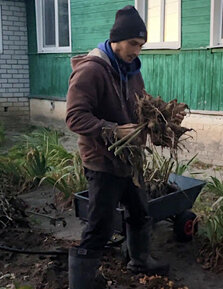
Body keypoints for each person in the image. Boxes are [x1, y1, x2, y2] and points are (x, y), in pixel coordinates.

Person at [66, 5, 183, 289]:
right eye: (133, 44)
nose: (137, 51)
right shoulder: (92, 70)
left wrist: (160, 121)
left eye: (141, 45)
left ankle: (140, 260)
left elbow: (139, 108)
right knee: (100, 226)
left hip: (130, 160)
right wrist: (111, 129)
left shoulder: (131, 70)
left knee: (140, 211)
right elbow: (74, 116)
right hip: (102, 162)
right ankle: (80, 283)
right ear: (116, 39)